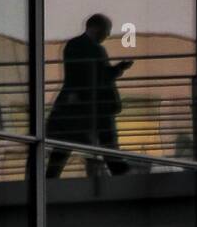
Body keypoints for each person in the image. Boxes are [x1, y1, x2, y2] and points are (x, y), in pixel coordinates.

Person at [46, 14, 133, 177]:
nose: (107, 35)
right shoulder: (91, 48)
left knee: (65, 143)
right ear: (95, 27)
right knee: (104, 141)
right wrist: (118, 69)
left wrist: (118, 68)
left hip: (85, 103)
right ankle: (121, 174)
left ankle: (50, 178)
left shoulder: (76, 45)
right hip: (92, 104)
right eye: (106, 30)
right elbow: (96, 76)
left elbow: (91, 75)